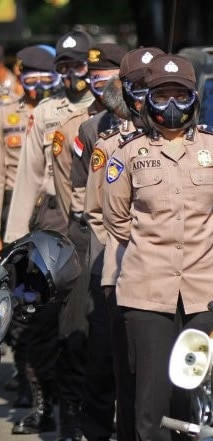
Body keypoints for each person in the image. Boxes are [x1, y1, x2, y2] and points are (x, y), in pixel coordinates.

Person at [102, 53, 213, 441]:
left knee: (196, 398)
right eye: (161, 95)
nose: (171, 105)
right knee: (151, 404)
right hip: (147, 294)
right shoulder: (128, 152)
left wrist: (201, 230)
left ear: (194, 99)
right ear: (146, 101)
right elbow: (116, 220)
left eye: (179, 96)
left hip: (207, 294)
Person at [7, 30, 95, 438]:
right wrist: (15, 235)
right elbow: (28, 176)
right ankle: (44, 406)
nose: (71, 74)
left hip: (94, 223)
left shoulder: (104, 108)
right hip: (51, 220)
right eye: (64, 67)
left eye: (78, 66)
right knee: (36, 320)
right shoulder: (45, 113)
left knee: (83, 323)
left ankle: (82, 409)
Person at [82, 46, 163, 441]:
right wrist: (136, 252)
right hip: (126, 275)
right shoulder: (112, 146)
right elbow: (98, 214)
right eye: (142, 87)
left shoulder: (203, 143)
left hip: (188, 280)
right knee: (128, 374)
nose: (152, 95)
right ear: (127, 92)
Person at [51, 42, 125, 441]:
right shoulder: (81, 128)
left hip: (138, 243)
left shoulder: (146, 120)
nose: (100, 84)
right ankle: (73, 420)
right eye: (95, 78)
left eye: (107, 77)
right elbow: (70, 188)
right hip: (87, 234)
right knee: (79, 332)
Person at [0, 44, 62, 411]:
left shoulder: (68, 114)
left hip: (57, 215)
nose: (38, 86)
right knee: (21, 305)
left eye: (46, 78)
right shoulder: (8, 113)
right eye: (31, 79)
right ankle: (29, 387)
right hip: (17, 213)